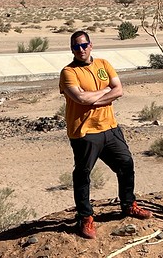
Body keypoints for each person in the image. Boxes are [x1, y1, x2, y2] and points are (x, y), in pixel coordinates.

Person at [59, 30, 152, 239]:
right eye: (76, 46)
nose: (81, 49)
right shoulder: (68, 72)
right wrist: (104, 92)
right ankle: (85, 217)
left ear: (91, 45)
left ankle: (128, 204)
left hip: (109, 127)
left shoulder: (103, 64)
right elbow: (81, 98)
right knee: (83, 174)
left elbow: (118, 90)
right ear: (71, 49)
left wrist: (94, 97)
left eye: (84, 45)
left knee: (126, 163)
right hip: (84, 132)